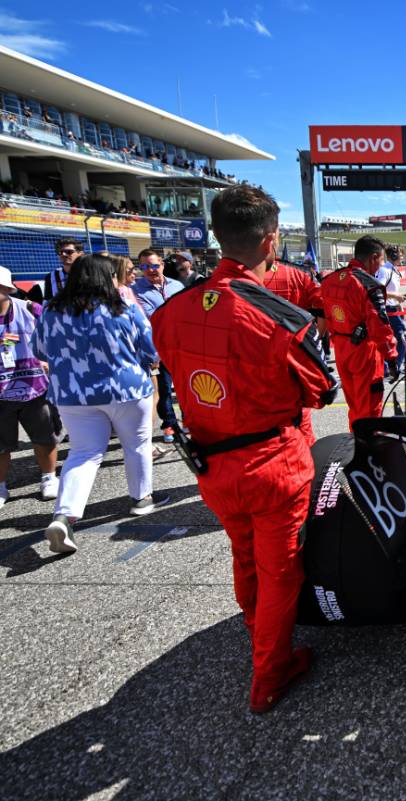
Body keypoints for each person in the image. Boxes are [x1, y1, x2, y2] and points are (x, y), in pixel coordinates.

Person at [152, 184, 338, 713]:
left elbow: (173, 367)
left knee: (243, 554)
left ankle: (259, 632)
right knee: (281, 570)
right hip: (271, 464)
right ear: (272, 242)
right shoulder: (279, 317)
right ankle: (269, 674)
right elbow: (320, 392)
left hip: (211, 465)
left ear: (217, 236)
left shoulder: (172, 309)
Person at [35, 254, 160, 554]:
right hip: (126, 388)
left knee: (83, 453)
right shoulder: (124, 306)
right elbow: (151, 347)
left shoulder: (51, 310)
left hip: (73, 395)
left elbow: (40, 348)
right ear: (107, 279)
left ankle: (64, 516)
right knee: (137, 444)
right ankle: (140, 499)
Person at [0, 265, 60, 509]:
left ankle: (48, 477)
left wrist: (48, 359)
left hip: (33, 387)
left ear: (5, 289)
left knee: (43, 435)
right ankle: (1, 486)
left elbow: (54, 333)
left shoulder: (29, 308)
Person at [321, 236, 398, 424]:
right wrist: (392, 357)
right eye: (380, 261)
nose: (380, 267)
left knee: (354, 405)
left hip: (340, 349)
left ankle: (355, 441)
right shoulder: (369, 285)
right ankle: (368, 450)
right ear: (373, 258)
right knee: (369, 408)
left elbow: (326, 316)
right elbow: (380, 327)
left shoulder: (330, 280)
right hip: (364, 352)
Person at [263, 260, 326, 441]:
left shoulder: (221, 283)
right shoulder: (297, 275)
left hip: (248, 372)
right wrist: (314, 342)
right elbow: (323, 307)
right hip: (291, 366)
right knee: (301, 429)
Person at [134, 249, 185, 443]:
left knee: (184, 384)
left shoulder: (177, 285)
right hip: (157, 346)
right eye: (145, 266)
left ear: (162, 265)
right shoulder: (135, 289)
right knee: (163, 387)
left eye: (154, 265)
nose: (150, 270)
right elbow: (147, 317)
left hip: (181, 343)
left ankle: (189, 420)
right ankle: (169, 424)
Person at [33, 236, 83, 304]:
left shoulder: (89, 274)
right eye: (60, 252)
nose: (63, 254)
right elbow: (48, 301)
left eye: (69, 252)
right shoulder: (51, 277)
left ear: (80, 254)